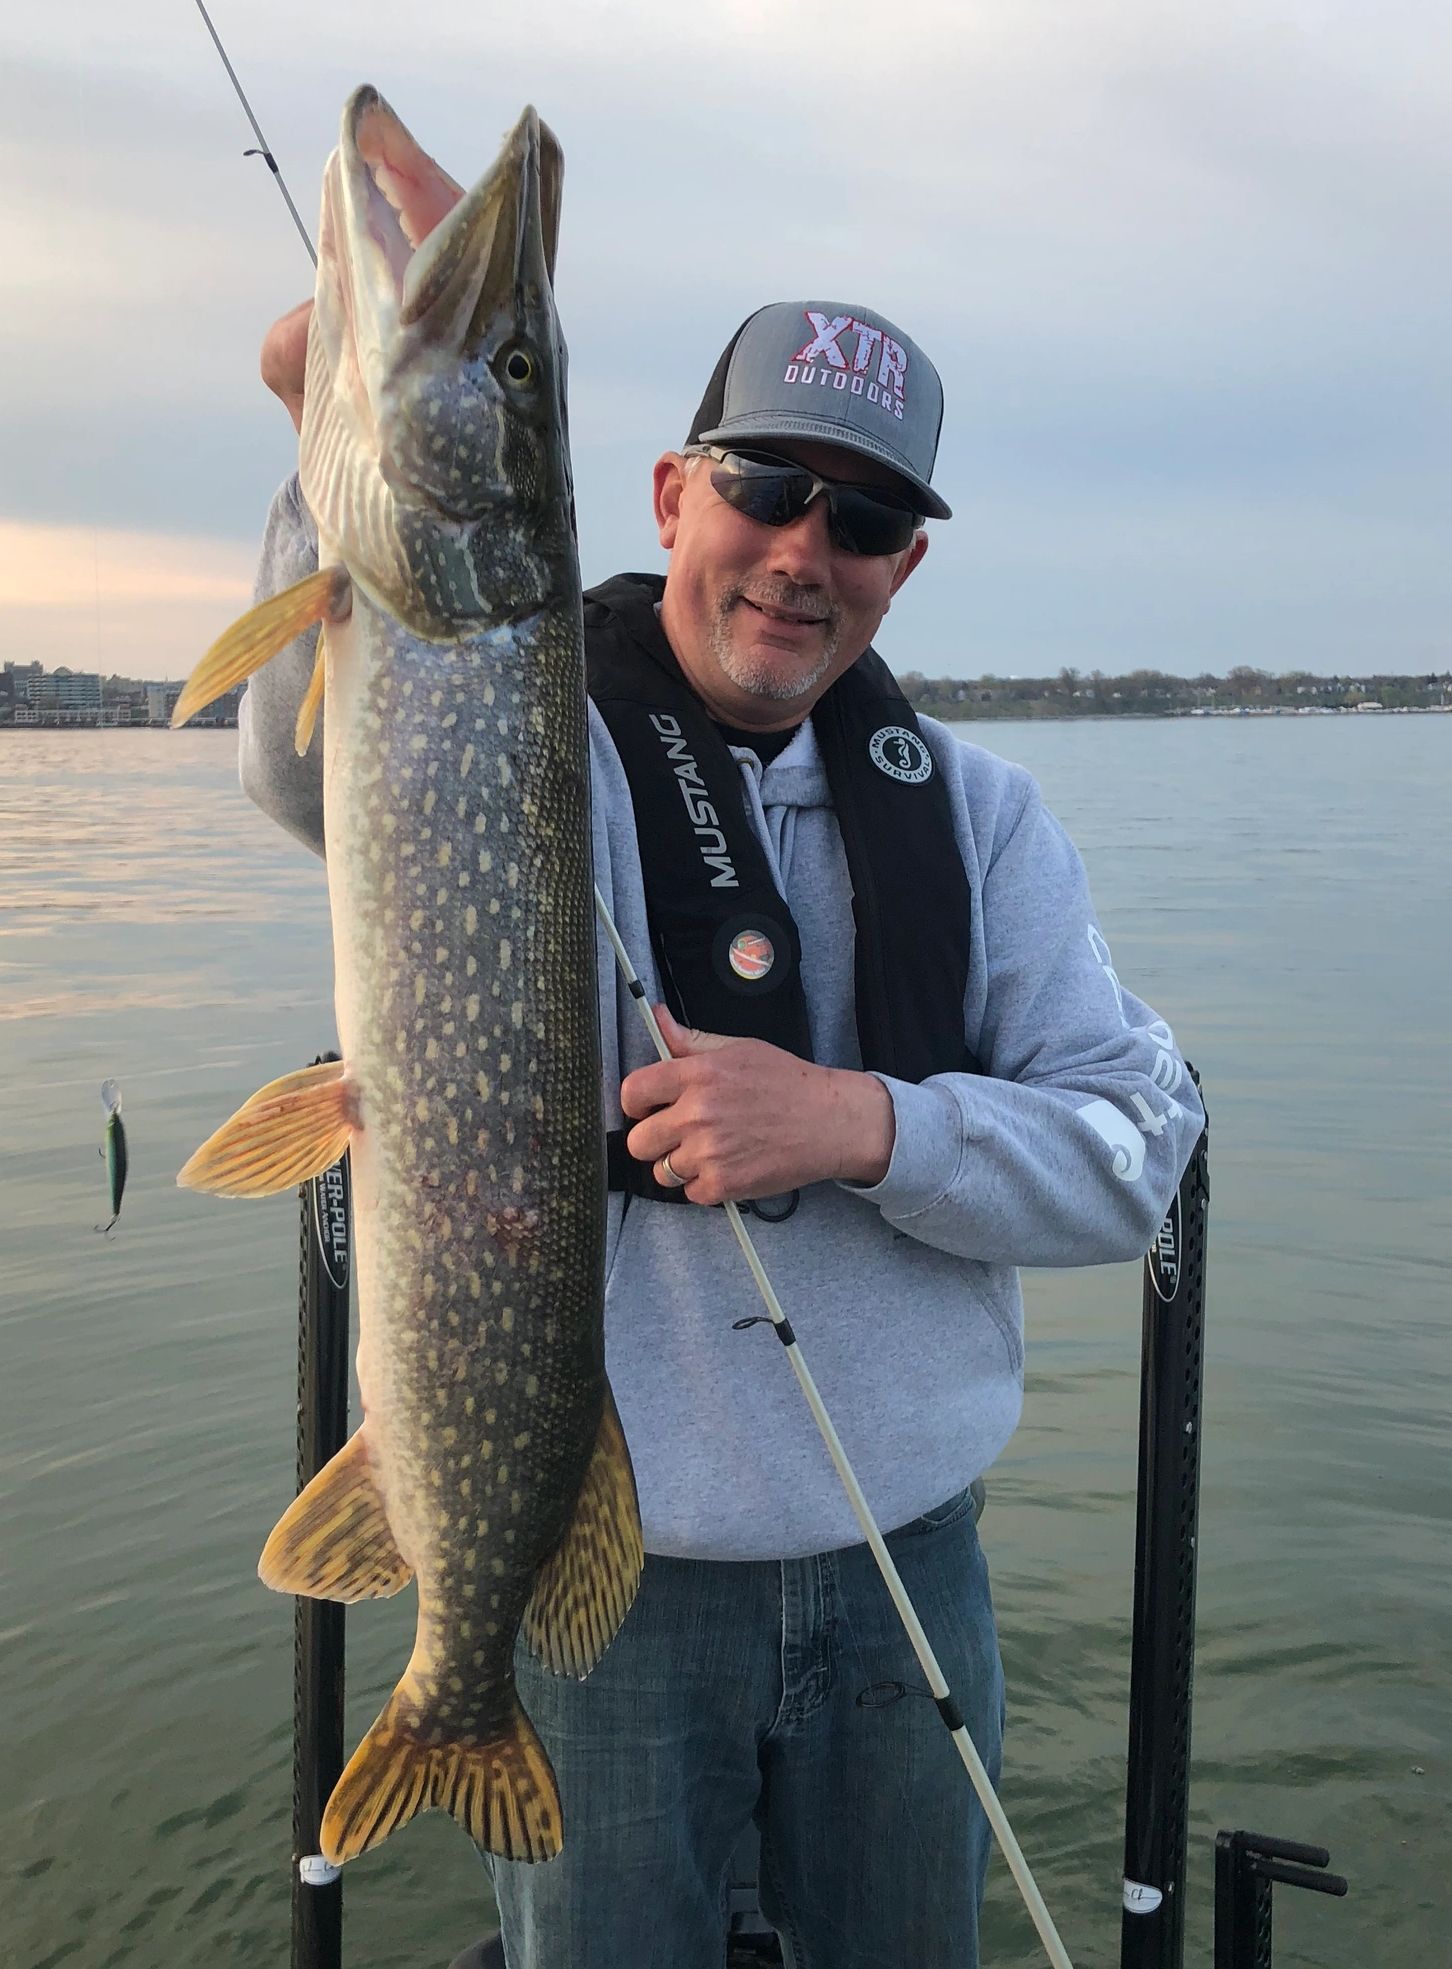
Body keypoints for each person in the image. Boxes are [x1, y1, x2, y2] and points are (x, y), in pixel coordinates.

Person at [243, 295, 1205, 1969]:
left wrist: (858, 1122)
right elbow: (304, 759)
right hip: (592, 1591)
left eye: (868, 518)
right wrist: (326, 456)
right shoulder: (522, 745)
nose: (801, 551)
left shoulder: (984, 820)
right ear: (676, 492)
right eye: (766, 486)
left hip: (912, 1569)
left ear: (906, 565)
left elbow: (1137, 1147)